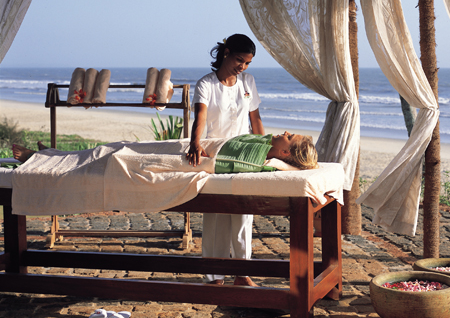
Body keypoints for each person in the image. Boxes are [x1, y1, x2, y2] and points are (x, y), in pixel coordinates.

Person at [186, 33, 267, 287]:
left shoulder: (248, 82)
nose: (242, 66)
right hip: (216, 156)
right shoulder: (206, 84)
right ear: (226, 52)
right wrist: (194, 144)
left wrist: (263, 149)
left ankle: (242, 275)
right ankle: (214, 277)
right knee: (216, 217)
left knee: (243, 216)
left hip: (244, 155)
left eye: (247, 63)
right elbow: (200, 118)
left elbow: (255, 120)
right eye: (239, 60)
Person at [11, 132, 318, 171]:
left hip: (184, 154)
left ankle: (38, 158)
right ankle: (50, 154)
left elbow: (217, 163)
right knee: (113, 146)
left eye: (289, 138)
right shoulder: (266, 146)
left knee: (111, 152)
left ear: (285, 154)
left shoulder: (258, 162)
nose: (285, 133)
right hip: (189, 145)